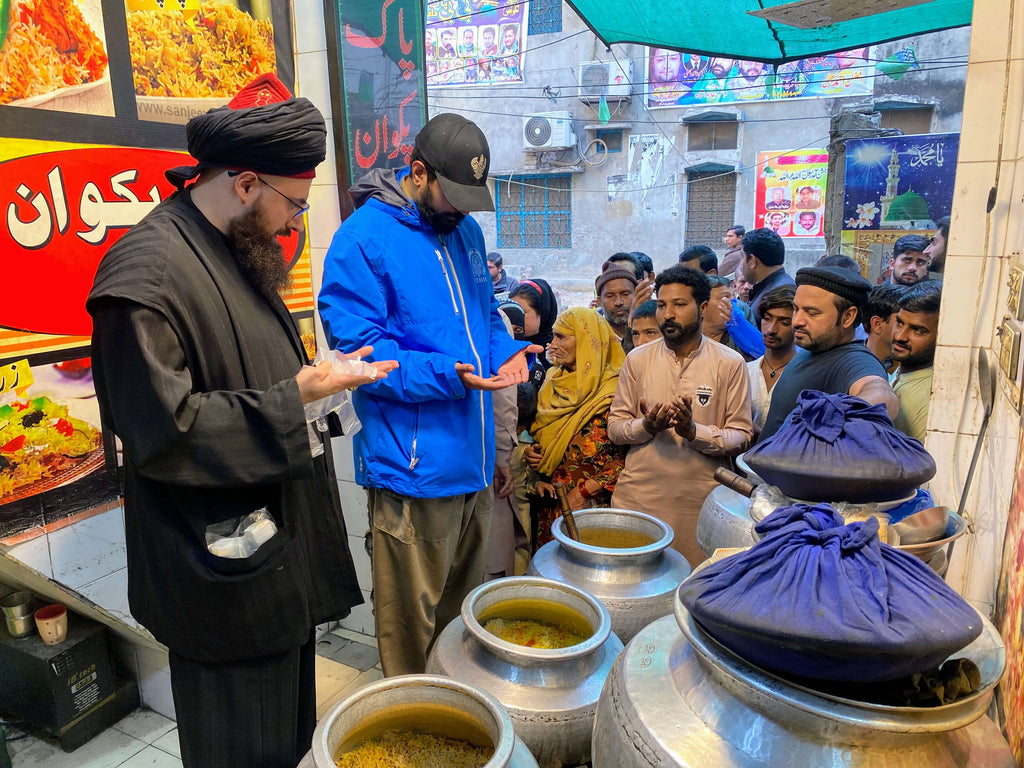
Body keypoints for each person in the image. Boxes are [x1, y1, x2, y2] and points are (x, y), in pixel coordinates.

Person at [86, 77, 387, 768]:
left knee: (285, 744)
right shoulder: (146, 275)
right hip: (219, 579)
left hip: (273, 562)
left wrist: (318, 389)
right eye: (293, 204)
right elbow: (163, 431)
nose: (293, 224)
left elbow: (253, 380)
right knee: (239, 750)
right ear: (246, 183)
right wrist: (295, 396)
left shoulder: (231, 247)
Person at [318, 113, 537, 677]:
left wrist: (504, 354)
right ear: (418, 172)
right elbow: (360, 354)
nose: (462, 210)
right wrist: (449, 374)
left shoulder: (465, 233)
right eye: (454, 196)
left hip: (472, 463)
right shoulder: (362, 240)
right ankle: (409, 719)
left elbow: (485, 319)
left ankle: (453, 715)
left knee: (459, 626)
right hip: (412, 471)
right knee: (409, 631)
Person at [608, 266, 753, 566]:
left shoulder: (730, 363)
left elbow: (741, 436)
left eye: (679, 304)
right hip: (640, 499)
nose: (668, 314)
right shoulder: (637, 360)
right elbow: (616, 428)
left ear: (702, 307)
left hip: (702, 503)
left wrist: (694, 432)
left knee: (694, 584)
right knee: (635, 583)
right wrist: (646, 426)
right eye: (662, 305)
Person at [524, 308, 630, 544]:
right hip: (549, 505)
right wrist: (531, 454)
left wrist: (584, 492)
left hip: (594, 509)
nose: (553, 345)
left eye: (561, 337)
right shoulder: (553, 381)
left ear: (586, 340)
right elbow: (539, 436)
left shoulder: (616, 392)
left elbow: (631, 458)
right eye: (553, 336)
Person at [758, 266, 899, 442]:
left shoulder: (855, 360)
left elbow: (880, 394)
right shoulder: (815, 347)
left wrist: (852, 413)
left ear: (847, 317)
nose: (797, 321)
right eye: (796, 309)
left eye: (812, 313)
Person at [889, 281, 941, 442]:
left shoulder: (931, 399)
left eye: (918, 330)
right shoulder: (908, 367)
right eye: (899, 323)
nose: (900, 336)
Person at [747, 286, 797, 434]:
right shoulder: (744, 370)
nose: (771, 329)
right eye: (767, 319)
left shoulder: (806, 375)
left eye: (784, 322)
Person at [511, 278, 559, 384]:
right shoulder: (506, 344)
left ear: (543, 312)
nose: (515, 317)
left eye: (523, 311)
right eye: (513, 310)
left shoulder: (559, 349)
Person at [741, 227, 795, 317]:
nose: (741, 264)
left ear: (752, 260)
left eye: (742, 257)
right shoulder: (776, 286)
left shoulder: (779, 296)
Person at [702, 275, 758, 362]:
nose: (734, 303)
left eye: (733, 297)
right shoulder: (688, 340)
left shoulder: (742, 318)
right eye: (725, 297)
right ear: (703, 307)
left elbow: (763, 356)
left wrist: (742, 328)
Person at [862, 284, 906, 370]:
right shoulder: (850, 365)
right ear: (877, 324)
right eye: (900, 323)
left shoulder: (909, 367)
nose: (908, 332)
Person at [596, 266, 638, 343]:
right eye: (610, 296)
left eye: (625, 294)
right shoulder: (591, 331)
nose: (618, 302)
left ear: (636, 295)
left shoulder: (651, 326)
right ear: (599, 301)